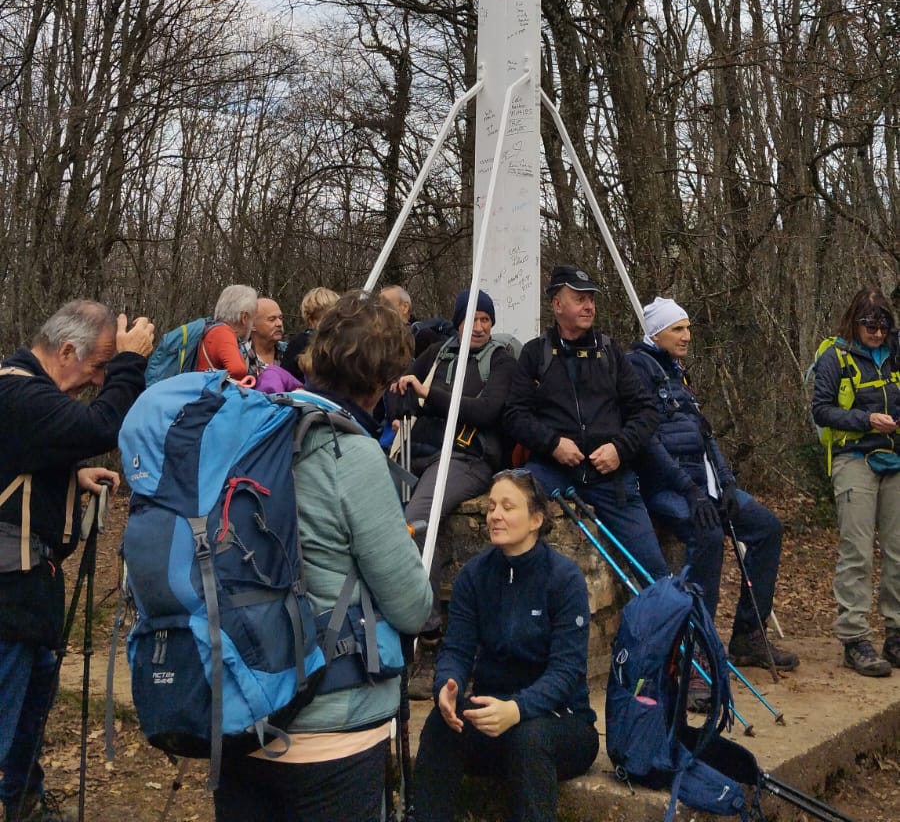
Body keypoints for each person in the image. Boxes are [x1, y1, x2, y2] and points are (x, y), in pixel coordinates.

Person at [213, 291, 434, 822]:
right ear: (382, 378)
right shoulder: (349, 452)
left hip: (240, 706)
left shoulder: (252, 428)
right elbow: (411, 606)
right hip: (330, 722)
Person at [0, 299, 154, 822]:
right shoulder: (17, 392)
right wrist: (130, 364)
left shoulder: (26, 395)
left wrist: (69, 476)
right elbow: (98, 427)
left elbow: (22, 457)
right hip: (8, 597)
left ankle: (23, 804)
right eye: (98, 366)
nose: (99, 380)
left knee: (28, 715)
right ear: (67, 351)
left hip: (27, 592)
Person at [413, 468, 598, 822]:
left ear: (536, 520)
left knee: (530, 738)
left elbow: (567, 670)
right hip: (492, 718)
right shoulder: (474, 575)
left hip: (561, 723)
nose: (495, 515)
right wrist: (447, 686)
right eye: (491, 506)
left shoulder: (564, 578)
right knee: (441, 723)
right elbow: (457, 650)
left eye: (508, 507)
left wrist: (517, 708)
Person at [627, 297, 798, 674]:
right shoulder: (638, 368)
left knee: (766, 527)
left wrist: (727, 482)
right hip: (666, 485)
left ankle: (748, 635)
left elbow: (705, 436)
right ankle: (698, 646)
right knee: (707, 534)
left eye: (688, 328)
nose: (687, 336)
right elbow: (648, 443)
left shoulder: (678, 373)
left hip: (704, 481)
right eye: (678, 329)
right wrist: (690, 491)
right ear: (656, 333)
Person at [504, 263, 668, 585]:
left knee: (654, 573)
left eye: (591, 299)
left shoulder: (610, 352)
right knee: (508, 508)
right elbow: (514, 415)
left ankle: (671, 616)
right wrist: (553, 444)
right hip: (551, 469)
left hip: (612, 479)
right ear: (557, 304)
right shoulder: (536, 354)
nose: (589, 306)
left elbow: (647, 411)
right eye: (580, 299)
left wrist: (620, 448)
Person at [389, 290, 517, 687]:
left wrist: (428, 394)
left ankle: (428, 636)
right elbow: (398, 393)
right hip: (417, 453)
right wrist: (400, 401)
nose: (479, 328)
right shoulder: (437, 354)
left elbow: (486, 411)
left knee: (415, 525)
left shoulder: (500, 360)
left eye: (485, 320)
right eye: (471, 320)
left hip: (466, 458)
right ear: (457, 322)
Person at [811, 287, 900, 677]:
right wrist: (866, 420)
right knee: (858, 551)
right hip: (854, 457)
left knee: (898, 551)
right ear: (855, 323)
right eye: (870, 326)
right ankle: (855, 638)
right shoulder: (835, 356)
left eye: (883, 327)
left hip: (895, 456)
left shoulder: (897, 351)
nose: (877, 334)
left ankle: (896, 634)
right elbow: (821, 409)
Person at [195, 283, 257, 380]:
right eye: (252, 318)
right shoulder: (222, 333)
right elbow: (238, 370)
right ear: (244, 317)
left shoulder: (211, 330)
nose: (253, 324)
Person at [282, 286, 340, 380]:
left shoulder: (341, 342)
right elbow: (285, 378)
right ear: (311, 319)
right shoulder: (299, 344)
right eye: (325, 316)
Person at [249, 296, 286, 370]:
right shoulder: (238, 356)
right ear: (252, 325)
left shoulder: (289, 352)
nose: (279, 324)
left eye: (280, 318)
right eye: (272, 319)